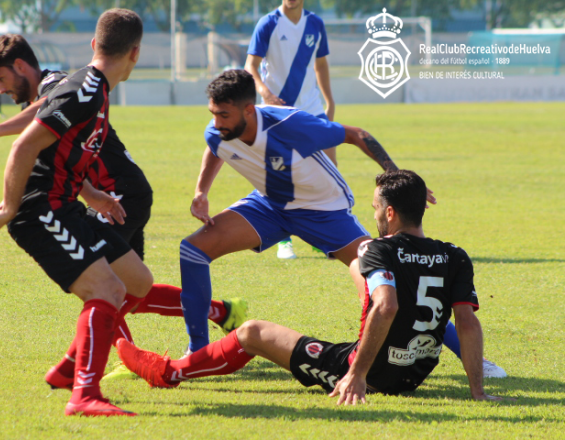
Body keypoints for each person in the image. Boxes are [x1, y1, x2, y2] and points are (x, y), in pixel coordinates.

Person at [0, 33, 248, 384]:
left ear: (21, 66)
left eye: (1, 79)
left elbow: (42, 118)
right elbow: (58, 156)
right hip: (110, 193)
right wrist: (89, 192)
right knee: (130, 285)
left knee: (106, 286)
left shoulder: (61, 84)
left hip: (118, 191)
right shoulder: (74, 89)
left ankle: (114, 362)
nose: (0, 89)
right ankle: (219, 310)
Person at [117, 170, 510, 404]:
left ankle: (170, 373)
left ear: (389, 213)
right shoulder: (454, 255)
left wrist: (356, 374)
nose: (372, 214)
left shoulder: (376, 249)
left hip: (372, 373)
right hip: (416, 373)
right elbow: (467, 323)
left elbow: (386, 307)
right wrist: (477, 391)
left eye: (375, 208)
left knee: (252, 332)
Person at [0, 9, 155, 417]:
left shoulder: (96, 90)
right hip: (39, 209)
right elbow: (24, 146)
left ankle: (70, 368)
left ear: (95, 45)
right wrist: (7, 209)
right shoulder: (84, 91)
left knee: (137, 282)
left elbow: (63, 152)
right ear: (136, 53)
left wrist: (92, 194)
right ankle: (84, 395)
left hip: (68, 204)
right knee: (106, 291)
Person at [179, 69, 421, 356]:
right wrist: (201, 193)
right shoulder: (219, 130)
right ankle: (198, 351)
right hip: (270, 206)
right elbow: (216, 146)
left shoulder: (290, 125)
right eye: (213, 113)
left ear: (248, 109)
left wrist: (396, 176)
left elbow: (357, 134)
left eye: (224, 115)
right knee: (193, 250)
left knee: (379, 284)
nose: (216, 123)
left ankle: (457, 357)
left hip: (324, 210)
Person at [245, 0, 336, 259]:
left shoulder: (316, 24)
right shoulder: (268, 23)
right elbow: (251, 65)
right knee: (280, 175)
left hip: (312, 109)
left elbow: (321, 64)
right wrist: (264, 92)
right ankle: (284, 239)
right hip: (278, 112)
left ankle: (323, 237)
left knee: (329, 173)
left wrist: (330, 100)